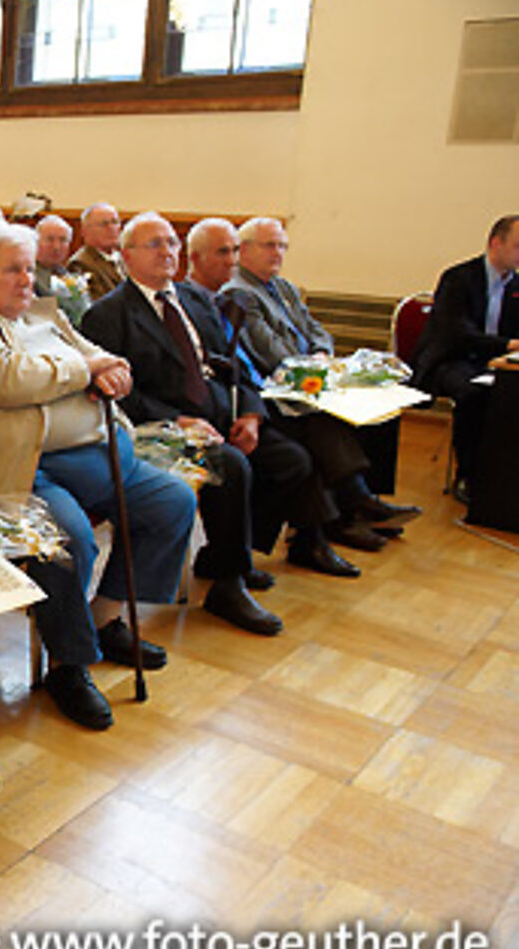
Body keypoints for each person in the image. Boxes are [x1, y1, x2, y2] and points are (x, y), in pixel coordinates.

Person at [0, 222, 196, 729]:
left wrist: (98, 366)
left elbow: (97, 357)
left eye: (30, 267)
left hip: (95, 453)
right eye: (14, 270)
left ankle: (105, 621)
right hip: (13, 467)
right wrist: (83, 371)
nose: (27, 280)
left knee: (171, 501)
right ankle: (69, 665)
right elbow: (10, 380)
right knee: (66, 540)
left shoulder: (40, 312)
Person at [83, 213, 355, 636]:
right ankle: (228, 585)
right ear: (126, 254)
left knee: (293, 461)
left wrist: (249, 413)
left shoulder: (193, 300)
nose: (167, 252)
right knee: (230, 468)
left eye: (172, 243)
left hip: (221, 414)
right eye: (154, 244)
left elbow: (232, 364)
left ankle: (227, 553)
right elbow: (122, 395)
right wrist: (178, 420)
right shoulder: (108, 315)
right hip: (164, 429)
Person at [223, 217, 421, 548]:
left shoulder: (282, 287)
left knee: (375, 405)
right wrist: (309, 364)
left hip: (309, 379)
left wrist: (320, 354)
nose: (278, 253)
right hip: (273, 391)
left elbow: (317, 331)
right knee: (319, 424)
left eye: (283, 245)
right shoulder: (238, 293)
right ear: (243, 250)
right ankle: (355, 506)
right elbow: (270, 351)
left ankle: (356, 507)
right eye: (270, 245)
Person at [412, 214, 519, 501]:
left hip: (493, 361)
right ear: (496, 243)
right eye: (518, 247)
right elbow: (457, 333)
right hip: (452, 359)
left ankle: (502, 474)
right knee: (474, 394)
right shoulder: (458, 278)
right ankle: (468, 475)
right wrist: (507, 344)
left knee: (509, 391)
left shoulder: (516, 285)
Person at [68, 203, 126, 300]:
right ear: (85, 231)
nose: (111, 228)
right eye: (104, 224)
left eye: (115, 222)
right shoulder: (80, 263)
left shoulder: (125, 259)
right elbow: (98, 304)